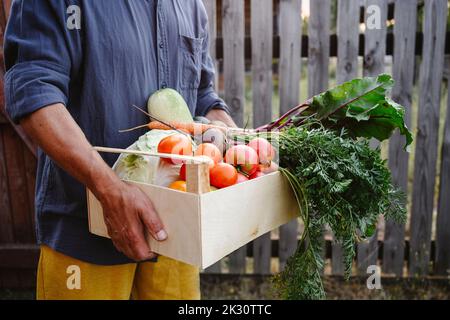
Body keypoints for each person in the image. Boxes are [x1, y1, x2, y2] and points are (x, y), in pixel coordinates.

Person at [4, 0, 235, 300]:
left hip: (178, 232)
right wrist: (109, 190)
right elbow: (35, 93)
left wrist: (230, 135)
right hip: (86, 228)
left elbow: (203, 95)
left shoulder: (191, 6)